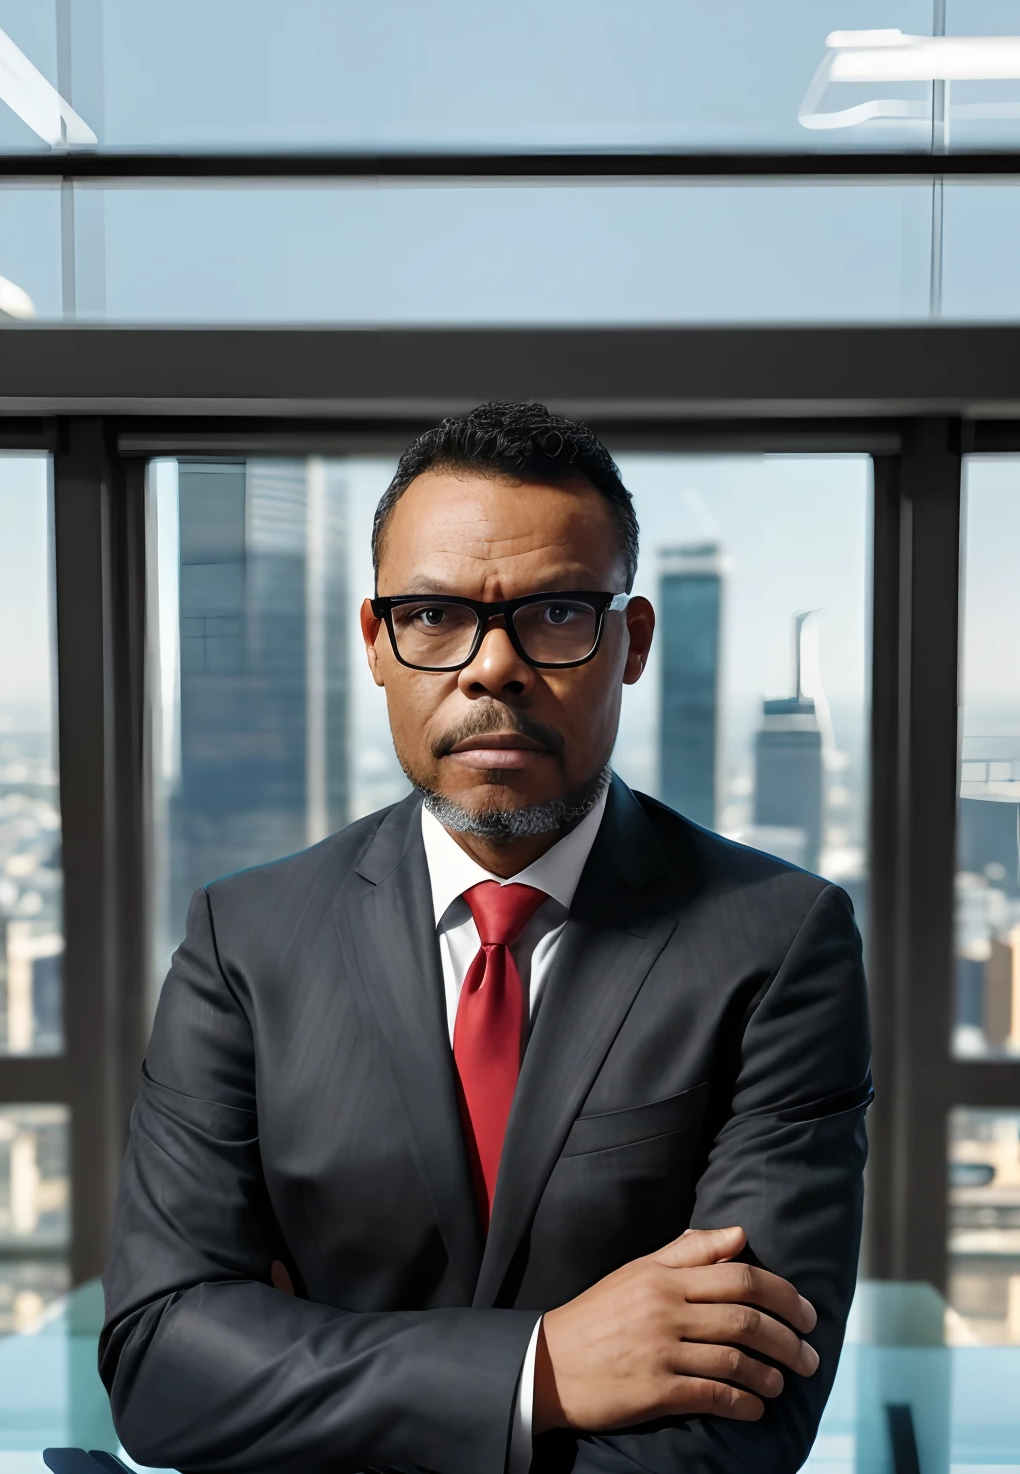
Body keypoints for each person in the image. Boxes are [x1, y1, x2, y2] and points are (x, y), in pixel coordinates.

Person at [99, 402, 872, 1474]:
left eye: (557, 614)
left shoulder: (777, 945)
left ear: (632, 641)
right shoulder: (245, 941)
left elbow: (734, 1420)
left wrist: (297, 1370)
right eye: (432, 615)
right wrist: (544, 1368)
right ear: (377, 644)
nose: (491, 668)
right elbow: (161, 1364)